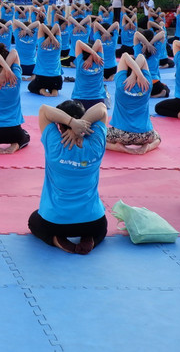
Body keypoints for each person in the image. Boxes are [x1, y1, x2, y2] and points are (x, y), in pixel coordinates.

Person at [29, 100, 109, 254]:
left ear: (59, 126)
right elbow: (102, 107)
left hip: (56, 222)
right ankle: (89, 239)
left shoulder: (55, 146)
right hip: (93, 221)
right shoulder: (96, 145)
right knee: (102, 228)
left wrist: (72, 123)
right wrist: (81, 125)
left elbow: (44, 109)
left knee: (34, 221)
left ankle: (57, 240)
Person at [106, 53, 161, 154]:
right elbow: (141, 56)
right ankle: (147, 147)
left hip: (121, 135)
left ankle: (118, 148)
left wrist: (133, 75)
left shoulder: (121, 84)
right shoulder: (147, 84)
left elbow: (124, 56)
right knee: (158, 138)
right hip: (145, 135)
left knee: (97, 136)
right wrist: (138, 75)